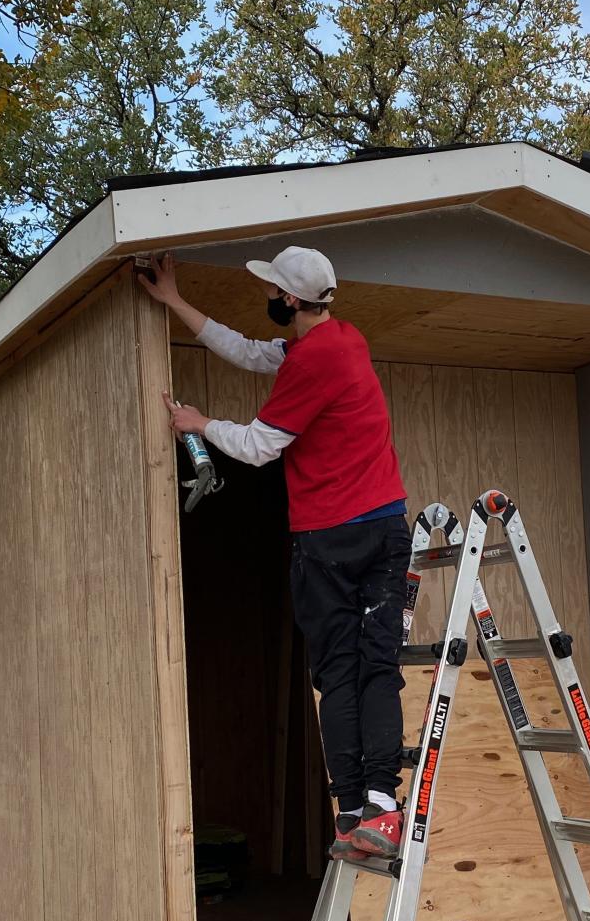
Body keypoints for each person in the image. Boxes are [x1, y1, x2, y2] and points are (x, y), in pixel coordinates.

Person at [138, 247, 410, 860]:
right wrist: (175, 300)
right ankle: (379, 810)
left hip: (329, 541)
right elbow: (253, 352)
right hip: (385, 527)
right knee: (377, 666)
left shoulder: (311, 363)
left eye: (273, 289)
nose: (269, 296)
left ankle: (355, 813)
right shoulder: (345, 340)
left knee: (341, 671)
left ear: (289, 299)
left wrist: (198, 423)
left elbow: (260, 447)